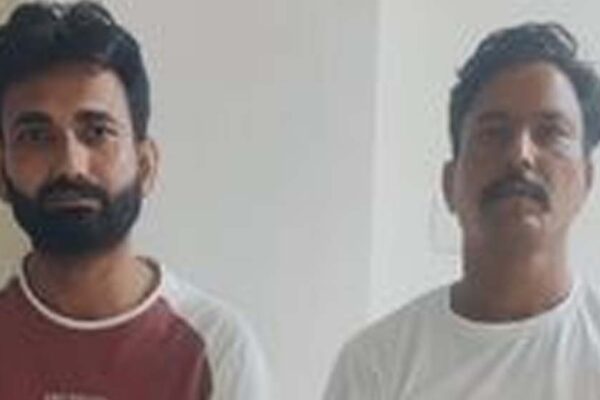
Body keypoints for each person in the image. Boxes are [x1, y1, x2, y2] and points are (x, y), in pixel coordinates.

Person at [0, 2, 269, 399]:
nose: (70, 165)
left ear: (145, 166)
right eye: (36, 137)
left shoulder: (216, 348)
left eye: (96, 132)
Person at [324, 22, 600, 399]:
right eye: (494, 132)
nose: (521, 154)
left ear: (586, 181)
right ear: (450, 183)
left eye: (550, 133)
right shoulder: (377, 364)